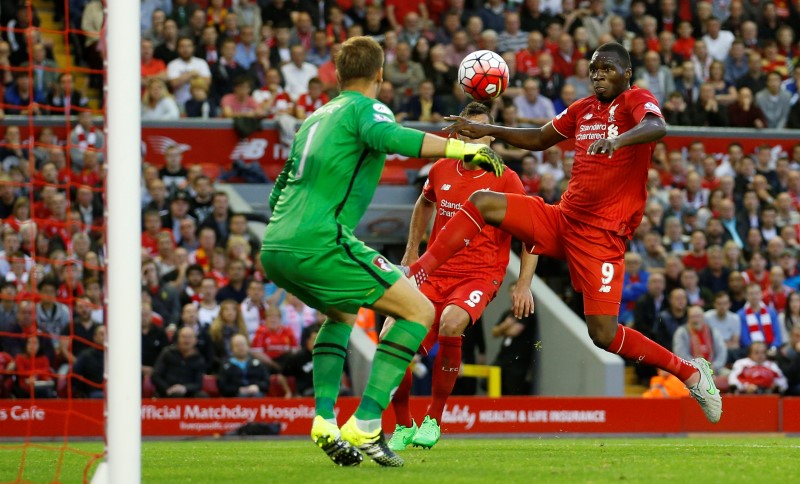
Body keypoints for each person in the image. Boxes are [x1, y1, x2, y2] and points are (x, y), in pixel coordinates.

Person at [407, 42, 722, 424]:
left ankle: (690, 372)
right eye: (593, 69)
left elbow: (658, 126)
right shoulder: (582, 110)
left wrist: (618, 140)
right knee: (484, 200)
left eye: (606, 69)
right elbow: (540, 139)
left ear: (627, 74)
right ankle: (421, 270)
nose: (598, 75)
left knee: (603, 334)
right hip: (563, 219)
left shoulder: (635, 101)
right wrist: (485, 129)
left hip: (602, 238)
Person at [260, 36, 504, 467]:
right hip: (323, 239)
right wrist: (465, 147)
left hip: (276, 243)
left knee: (341, 314)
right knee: (419, 312)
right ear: (379, 74)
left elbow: (280, 186)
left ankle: (322, 419)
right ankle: (368, 421)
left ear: (336, 74)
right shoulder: (365, 108)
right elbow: (391, 137)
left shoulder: (314, 117)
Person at [386, 102, 536, 451]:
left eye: (485, 133)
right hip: (435, 272)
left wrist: (524, 282)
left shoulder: (506, 178)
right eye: (470, 131)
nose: (479, 139)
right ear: (457, 135)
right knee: (392, 343)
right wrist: (412, 251)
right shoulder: (440, 169)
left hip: (479, 274)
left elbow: (533, 232)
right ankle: (404, 425)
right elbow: (425, 203)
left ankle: (434, 419)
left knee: (453, 323)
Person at [151, 326, 207, 397]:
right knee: (176, 395)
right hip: (167, 391)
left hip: (188, 392)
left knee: (202, 396)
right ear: (178, 339)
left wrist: (185, 388)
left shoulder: (199, 359)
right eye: (183, 337)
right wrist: (167, 389)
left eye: (190, 337)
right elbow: (155, 376)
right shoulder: (167, 353)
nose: (186, 340)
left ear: (195, 340)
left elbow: (198, 384)